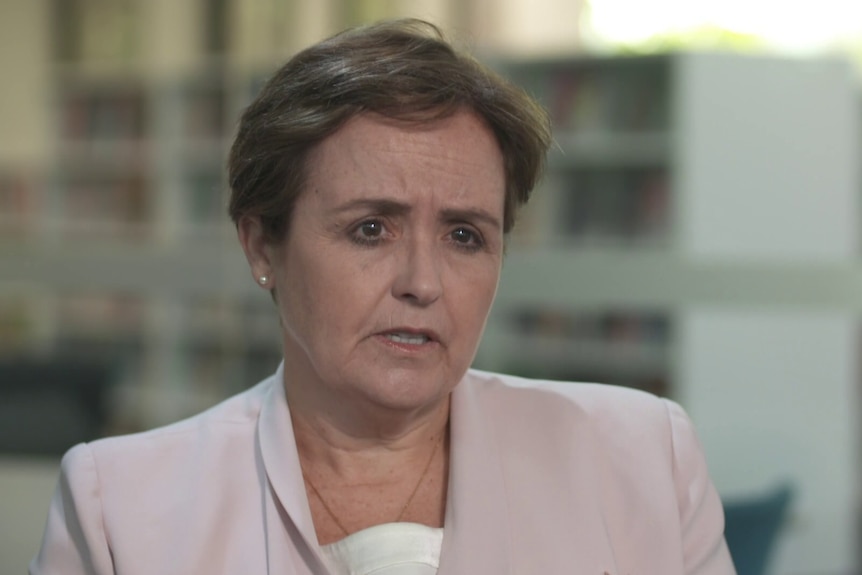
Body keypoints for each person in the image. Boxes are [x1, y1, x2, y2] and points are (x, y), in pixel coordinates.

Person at [30, 18, 736, 575]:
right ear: (261, 245)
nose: (422, 283)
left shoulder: (643, 456)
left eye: (465, 235)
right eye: (371, 228)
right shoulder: (119, 506)